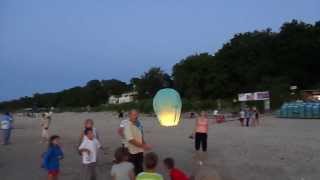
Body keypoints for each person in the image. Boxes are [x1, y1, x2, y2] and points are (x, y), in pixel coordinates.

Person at [124, 110, 151, 175]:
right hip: (132, 152)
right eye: (134, 115)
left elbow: (141, 135)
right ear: (129, 116)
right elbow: (131, 140)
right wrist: (143, 146)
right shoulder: (127, 125)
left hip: (140, 151)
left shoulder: (138, 123)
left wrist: (144, 143)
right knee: (134, 169)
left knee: (140, 168)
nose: (136, 116)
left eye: (137, 115)